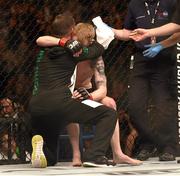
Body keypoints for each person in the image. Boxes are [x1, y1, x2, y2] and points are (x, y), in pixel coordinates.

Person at [37, 22, 142, 166]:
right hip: (68, 96)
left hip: (89, 95)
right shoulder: (68, 52)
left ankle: (118, 153)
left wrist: (89, 96)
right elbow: (41, 40)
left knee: (110, 103)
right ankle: (77, 154)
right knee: (69, 107)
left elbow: (103, 88)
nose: (82, 46)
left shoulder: (95, 57)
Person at [29, 13, 117, 168]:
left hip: (36, 107)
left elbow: (39, 39)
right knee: (108, 113)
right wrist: (97, 38)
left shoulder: (44, 50)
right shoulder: (73, 51)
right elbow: (96, 50)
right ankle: (95, 156)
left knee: (50, 159)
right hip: (60, 104)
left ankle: (41, 149)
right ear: (72, 29)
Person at [108, 0, 178, 161]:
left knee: (163, 106)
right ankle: (150, 142)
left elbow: (178, 29)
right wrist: (111, 30)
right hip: (141, 59)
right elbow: (128, 33)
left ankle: (168, 147)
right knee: (134, 106)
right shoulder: (135, 4)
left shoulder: (170, 2)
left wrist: (161, 45)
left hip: (164, 58)